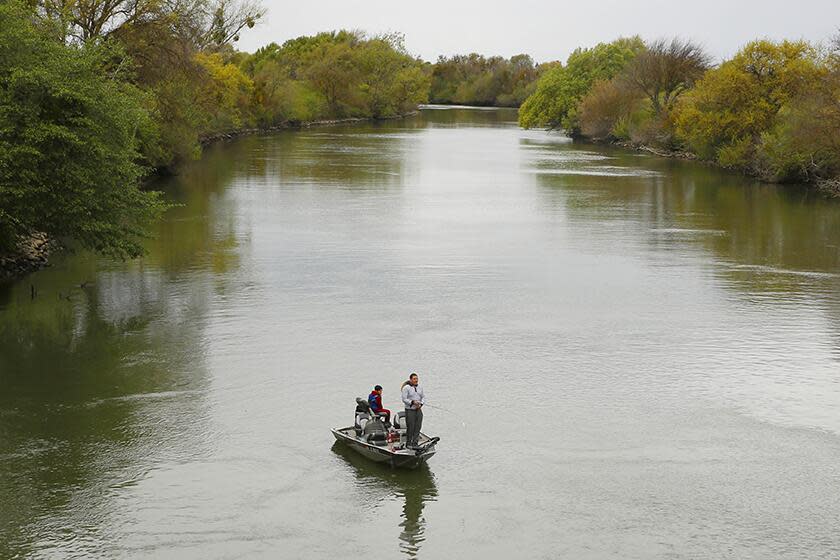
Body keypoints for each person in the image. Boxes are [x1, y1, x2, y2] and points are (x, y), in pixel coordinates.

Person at [401, 373, 425, 448]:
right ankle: (408, 443)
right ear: (411, 379)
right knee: (411, 427)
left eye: (417, 379)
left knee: (418, 426)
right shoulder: (406, 388)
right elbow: (404, 399)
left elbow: (423, 397)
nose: (416, 380)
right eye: (414, 379)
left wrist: (421, 404)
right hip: (410, 410)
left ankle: (415, 443)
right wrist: (412, 402)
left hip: (418, 410)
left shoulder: (420, 387)